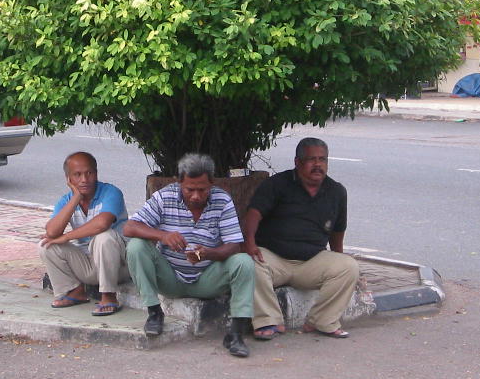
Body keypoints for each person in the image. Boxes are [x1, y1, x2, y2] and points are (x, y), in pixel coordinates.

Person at [124, 153, 255, 358]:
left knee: (243, 262)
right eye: (189, 189)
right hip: (170, 278)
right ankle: (154, 312)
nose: (195, 195)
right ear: (179, 183)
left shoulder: (222, 200)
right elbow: (130, 227)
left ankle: (236, 333)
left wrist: (207, 253)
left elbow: (234, 246)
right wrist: (163, 236)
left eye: (202, 190)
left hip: (207, 279)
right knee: (136, 247)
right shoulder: (164, 197)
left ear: (211, 183)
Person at [242, 137, 359, 340]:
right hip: (274, 258)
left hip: (311, 261)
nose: (318, 165)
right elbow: (253, 214)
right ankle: (268, 321)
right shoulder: (277, 184)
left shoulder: (336, 191)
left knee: (348, 266)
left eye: (322, 160)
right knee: (248, 263)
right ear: (297, 162)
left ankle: (322, 321)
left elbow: (338, 231)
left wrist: (337, 257)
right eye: (311, 159)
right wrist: (250, 243)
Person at [40, 152, 129, 316]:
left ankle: (109, 296)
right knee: (46, 245)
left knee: (104, 237)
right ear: (69, 179)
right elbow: (52, 231)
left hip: (118, 266)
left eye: (89, 173)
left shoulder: (111, 192)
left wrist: (67, 236)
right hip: (89, 265)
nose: (84, 179)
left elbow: (102, 223)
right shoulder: (66, 200)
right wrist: (76, 198)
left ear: (96, 173)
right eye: (77, 175)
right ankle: (75, 291)